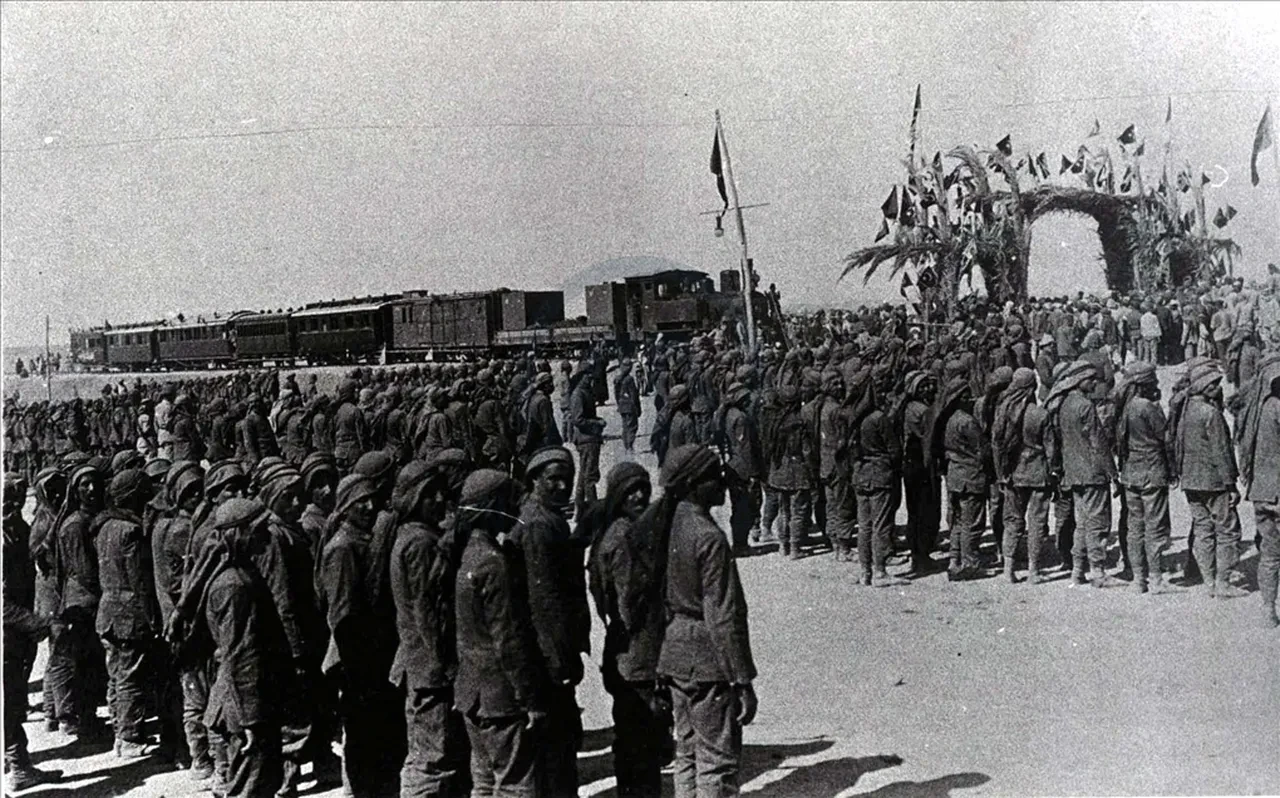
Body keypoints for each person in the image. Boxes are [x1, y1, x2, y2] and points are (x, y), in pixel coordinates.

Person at [655, 444, 757, 797]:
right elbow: (723, 616)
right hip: (707, 659)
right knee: (717, 760)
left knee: (686, 753)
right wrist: (741, 678)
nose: (723, 482)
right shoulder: (708, 536)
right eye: (715, 475)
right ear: (694, 483)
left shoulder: (665, 522)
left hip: (673, 652)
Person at [454, 469, 548, 797]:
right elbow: (507, 640)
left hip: (472, 694)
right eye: (510, 503)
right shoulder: (494, 563)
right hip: (500, 697)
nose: (517, 511)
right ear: (493, 508)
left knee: (483, 782)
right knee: (516, 785)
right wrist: (530, 699)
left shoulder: (469, 554)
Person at [317, 473, 406, 797]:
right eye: (360, 503)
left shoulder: (365, 539)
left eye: (372, 500)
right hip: (359, 663)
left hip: (372, 657)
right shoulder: (342, 549)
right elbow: (342, 618)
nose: (369, 507)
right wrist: (359, 672)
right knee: (363, 745)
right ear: (345, 507)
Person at [586, 463, 671, 797]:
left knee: (633, 738)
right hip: (638, 652)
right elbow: (628, 603)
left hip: (624, 649)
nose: (639, 496)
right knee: (642, 739)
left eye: (644, 488)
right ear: (618, 494)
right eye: (631, 490)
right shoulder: (624, 537)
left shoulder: (615, 531)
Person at [389, 456, 469, 798]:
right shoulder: (420, 543)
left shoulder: (411, 535)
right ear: (413, 499)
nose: (440, 499)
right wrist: (448, 666)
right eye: (430, 494)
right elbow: (428, 613)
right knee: (432, 759)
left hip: (419, 663)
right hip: (430, 668)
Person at [203, 499, 293, 798]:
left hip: (249, 700)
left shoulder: (240, 574)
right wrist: (251, 721)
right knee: (249, 788)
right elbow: (240, 654)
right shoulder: (234, 586)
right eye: (259, 530)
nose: (266, 536)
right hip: (245, 706)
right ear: (239, 534)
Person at [514, 447, 591, 797]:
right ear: (534, 480)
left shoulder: (546, 517)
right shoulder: (539, 524)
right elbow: (544, 602)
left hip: (551, 647)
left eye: (566, 480)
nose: (561, 486)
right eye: (552, 480)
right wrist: (559, 658)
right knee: (555, 741)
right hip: (548, 652)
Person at [95, 468, 167, 759]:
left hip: (108, 611)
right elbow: (140, 582)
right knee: (130, 676)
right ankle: (130, 738)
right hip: (128, 615)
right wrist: (153, 619)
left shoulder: (105, 526)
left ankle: (120, 732)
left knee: (117, 675)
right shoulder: (131, 531)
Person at [5, 472, 59, 791]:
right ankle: (19, 766)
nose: (14, 505)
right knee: (10, 700)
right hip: (9, 633)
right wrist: (37, 623)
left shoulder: (14, 529)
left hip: (15, 633)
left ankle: (13, 759)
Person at [1175, 362, 1246, 599]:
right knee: (1227, 530)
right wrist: (1231, 484)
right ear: (1204, 386)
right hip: (1214, 482)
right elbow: (1221, 452)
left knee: (1203, 530)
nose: (1217, 387)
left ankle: (1209, 582)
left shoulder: (1186, 409)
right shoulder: (1210, 413)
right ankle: (1223, 582)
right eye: (1213, 383)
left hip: (1191, 480)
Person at [1050, 362, 1115, 586]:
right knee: (1098, 522)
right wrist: (1111, 472)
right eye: (1090, 379)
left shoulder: (1063, 404)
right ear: (1080, 381)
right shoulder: (1085, 406)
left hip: (1073, 472)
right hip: (1092, 472)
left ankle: (1077, 570)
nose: (1095, 382)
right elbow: (1098, 442)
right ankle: (1098, 571)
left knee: (1082, 523)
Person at [1113, 362, 1172, 594]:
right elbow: (1164, 438)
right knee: (1154, 526)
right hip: (1152, 471)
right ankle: (1156, 578)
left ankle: (1139, 579)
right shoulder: (1148, 407)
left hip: (1131, 472)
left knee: (1134, 527)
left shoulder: (1124, 407)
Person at [993, 368, 1052, 584]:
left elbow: (997, 445)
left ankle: (1008, 570)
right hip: (1037, 473)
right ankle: (1034, 570)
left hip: (1012, 474)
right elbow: (1050, 448)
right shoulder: (1040, 414)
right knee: (1037, 522)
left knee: (1012, 522)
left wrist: (1002, 473)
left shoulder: (1003, 412)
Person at [1237, 354, 1280, 626]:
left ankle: (1268, 610)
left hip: (1260, 491)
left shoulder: (1251, 409)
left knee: (1270, 554)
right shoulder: (1277, 408)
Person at [614, 360, 642, 454]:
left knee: (625, 426)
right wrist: (637, 408)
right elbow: (634, 395)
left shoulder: (618, 379)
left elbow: (616, 394)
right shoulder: (629, 379)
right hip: (630, 406)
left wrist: (619, 403)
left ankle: (626, 445)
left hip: (622, 405)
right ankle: (629, 446)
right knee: (632, 426)